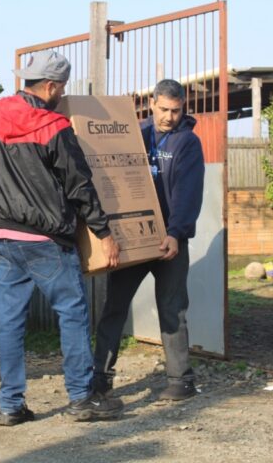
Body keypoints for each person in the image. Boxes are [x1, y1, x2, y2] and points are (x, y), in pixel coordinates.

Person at [0, 50, 123, 426]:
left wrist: (1, 187)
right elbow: (80, 186)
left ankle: (10, 405)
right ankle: (81, 399)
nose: (62, 96)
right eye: (61, 89)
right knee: (71, 312)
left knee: (11, 320)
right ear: (49, 86)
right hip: (45, 239)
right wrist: (104, 232)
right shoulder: (55, 127)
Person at [92, 79, 205, 401]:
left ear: (182, 108)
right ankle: (100, 378)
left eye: (176, 110)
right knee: (114, 307)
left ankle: (180, 380)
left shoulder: (187, 143)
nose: (169, 116)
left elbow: (188, 192)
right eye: (164, 109)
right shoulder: (135, 135)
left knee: (172, 309)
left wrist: (176, 233)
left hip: (168, 240)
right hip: (132, 238)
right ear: (152, 104)